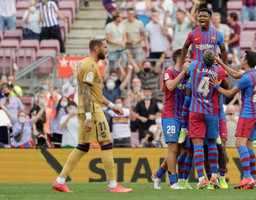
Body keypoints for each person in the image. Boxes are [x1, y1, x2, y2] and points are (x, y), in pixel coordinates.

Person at [52, 38, 132, 193]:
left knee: (82, 147)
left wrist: (112, 106)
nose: (107, 50)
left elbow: (94, 92)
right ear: (96, 48)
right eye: (105, 47)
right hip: (92, 110)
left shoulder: (84, 63)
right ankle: (112, 185)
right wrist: (89, 117)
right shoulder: (90, 65)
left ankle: (60, 181)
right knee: (106, 142)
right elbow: (86, 92)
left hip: (85, 108)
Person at [210, 50, 256, 189]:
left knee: (240, 143)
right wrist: (221, 63)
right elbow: (234, 74)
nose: (241, 58)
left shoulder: (247, 77)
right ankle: (255, 178)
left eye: (243, 57)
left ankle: (246, 177)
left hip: (248, 113)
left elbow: (229, 93)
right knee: (249, 145)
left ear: (245, 61)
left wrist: (216, 86)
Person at [185, 50, 227, 189]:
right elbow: (226, 86)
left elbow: (186, 75)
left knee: (197, 146)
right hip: (211, 111)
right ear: (215, 59)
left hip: (196, 110)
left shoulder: (195, 65)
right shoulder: (219, 71)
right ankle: (214, 177)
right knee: (212, 144)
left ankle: (202, 179)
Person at [151, 49, 189, 189]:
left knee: (179, 150)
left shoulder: (187, 75)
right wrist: (183, 73)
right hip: (170, 115)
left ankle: (158, 174)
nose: (189, 61)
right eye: (187, 58)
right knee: (173, 148)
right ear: (179, 59)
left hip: (183, 116)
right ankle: (173, 182)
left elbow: (162, 88)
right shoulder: (169, 72)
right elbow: (169, 86)